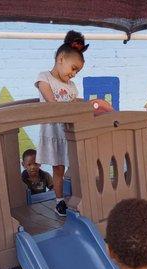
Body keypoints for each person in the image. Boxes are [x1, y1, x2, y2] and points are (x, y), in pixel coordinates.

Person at [35, 30, 88, 216]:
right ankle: (59, 201)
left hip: (68, 132)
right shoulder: (44, 78)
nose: (74, 74)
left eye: (78, 71)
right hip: (53, 132)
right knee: (58, 168)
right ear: (61, 59)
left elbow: (73, 106)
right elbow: (52, 104)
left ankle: (80, 197)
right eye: (73, 68)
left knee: (76, 165)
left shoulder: (72, 86)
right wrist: (69, 106)